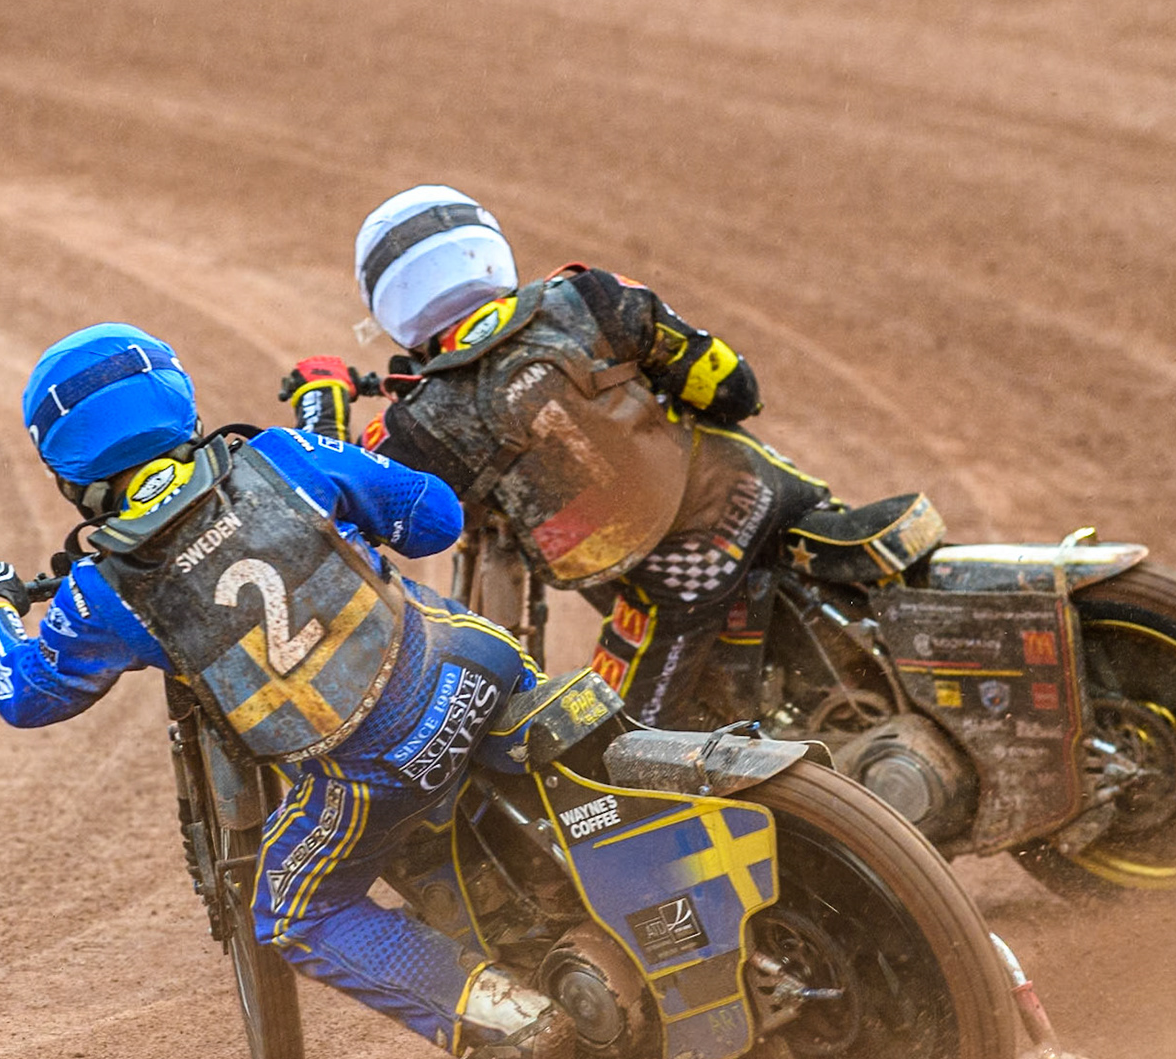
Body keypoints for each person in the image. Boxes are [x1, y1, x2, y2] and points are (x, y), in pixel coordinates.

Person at [0, 322, 577, 1059]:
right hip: (481, 668)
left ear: (68, 468)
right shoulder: (282, 457)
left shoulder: (107, 590)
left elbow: (27, 694)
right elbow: (434, 520)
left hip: (379, 766)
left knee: (292, 909)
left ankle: (513, 1018)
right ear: (175, 399)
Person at [283, 184, 833, 731]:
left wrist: (322, 399)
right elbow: (735, 390)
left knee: (615, 755)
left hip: (681, 583)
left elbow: (337, 503)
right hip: (768, 491)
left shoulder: (426, 423)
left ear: (392, 300)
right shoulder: (593, 296)